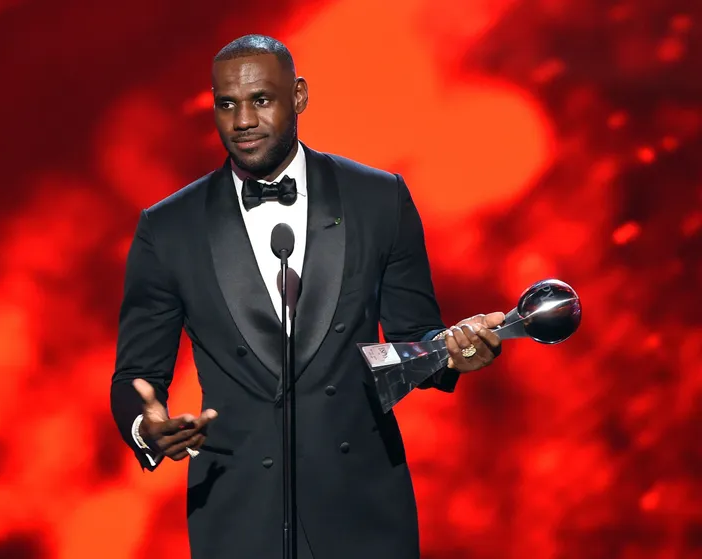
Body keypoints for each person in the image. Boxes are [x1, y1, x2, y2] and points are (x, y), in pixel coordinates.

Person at [110, 34, 503, 559]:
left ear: (298, 96)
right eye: (227, 104)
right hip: (238, 516)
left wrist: (451, 353)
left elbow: (411, 341)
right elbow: (136, 375)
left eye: (261, 100)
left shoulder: (379, 199)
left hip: (363, 511)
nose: (243, 119)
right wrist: (146, 428)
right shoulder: (169, 228)